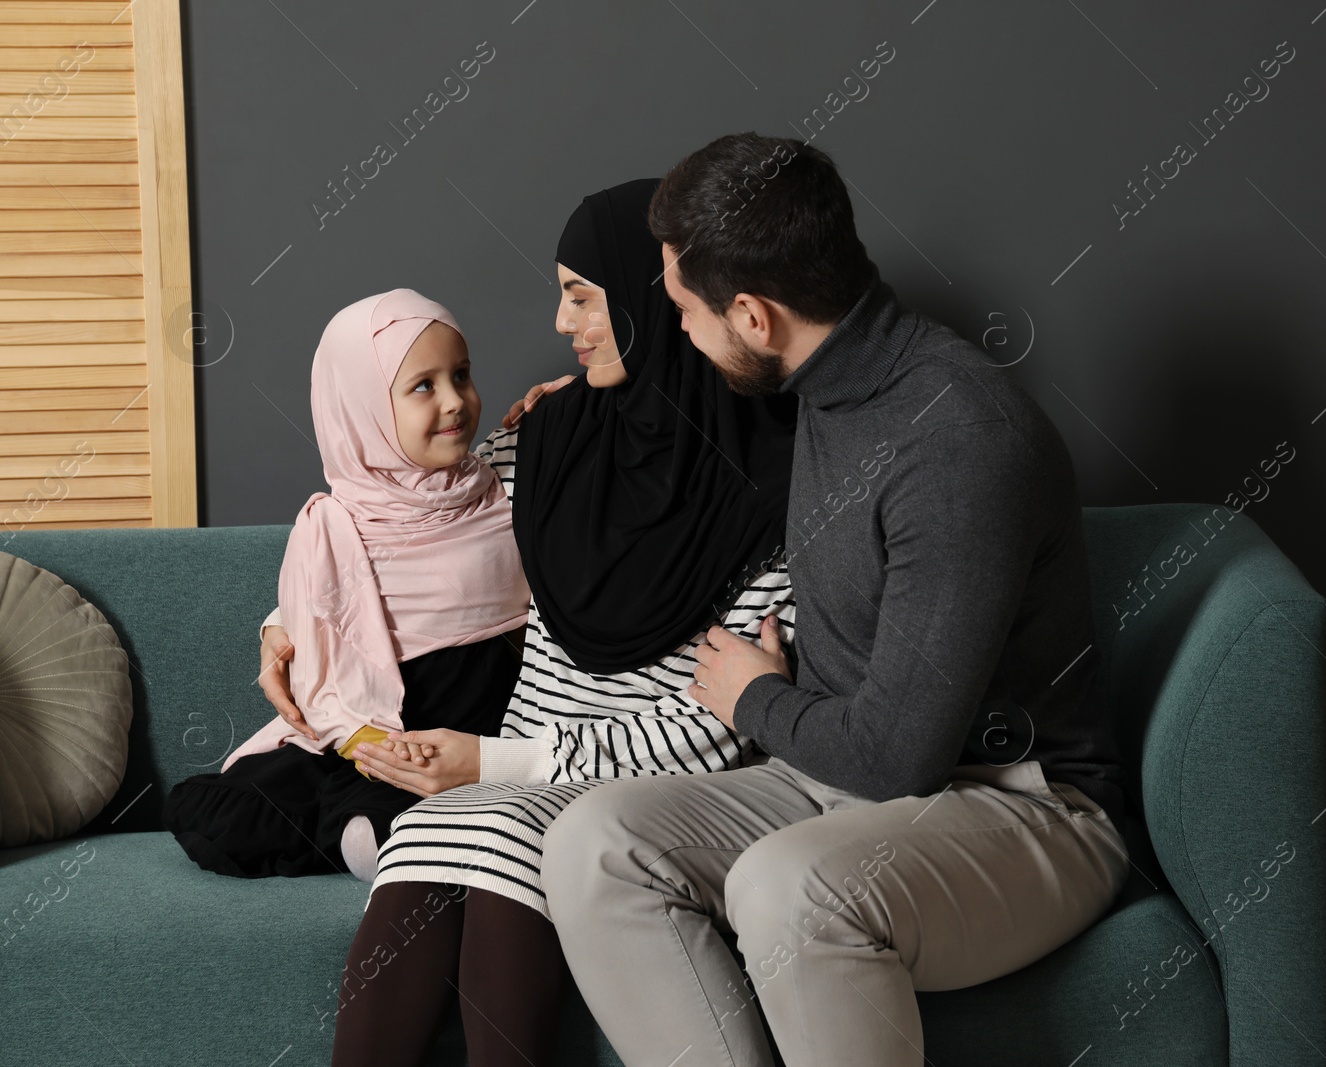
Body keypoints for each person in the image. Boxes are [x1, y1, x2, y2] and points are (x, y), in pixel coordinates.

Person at [539, 134, 1131, 1067]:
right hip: (836, 782)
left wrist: (754, 699)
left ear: (754, 315)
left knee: (789, 886)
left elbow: (898, 757)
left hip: (1019, 803)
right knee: (592, 843)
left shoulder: (958, 444)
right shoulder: (821, 371)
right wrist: (572, 416)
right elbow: (682, 433)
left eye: (686, 311)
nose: (679, 332)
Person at [253, 179, 800, 1067]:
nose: (558, 320)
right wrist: (285, 621)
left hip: (638, 786)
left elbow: (719, 735)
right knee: (440, 828)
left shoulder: (771, 489)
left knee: (499, 825)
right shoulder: (546, 443)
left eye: (582, 294)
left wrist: (492, 762)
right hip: (514, 769)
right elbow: (403, 513)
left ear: (652, 298)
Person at [162, 289, 529, 880]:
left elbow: (586, 433)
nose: (456, 401)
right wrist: (286, 630)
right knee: (232, 803)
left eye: (461, 375)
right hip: (371, 716)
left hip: (480, 712)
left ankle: (381, 831)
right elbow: (326, 620)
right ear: (361, 408)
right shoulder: (335, 522)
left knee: (421, 791)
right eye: (423, 386)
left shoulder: (504, 483)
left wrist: (565, 400)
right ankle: (356, 826)